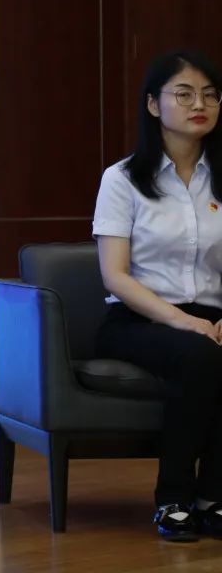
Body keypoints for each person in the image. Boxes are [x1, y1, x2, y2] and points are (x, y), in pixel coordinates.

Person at [94, 49, 222, 542]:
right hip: (137, 320)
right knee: (200, 355)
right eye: (184, 94)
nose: (200, 104)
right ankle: (174, 499)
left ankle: (214, 498)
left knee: (209, 350)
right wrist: (183, 321)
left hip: (210, 316)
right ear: (153, 104)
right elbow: (115, 276)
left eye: (210, 95)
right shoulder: (122, 179)